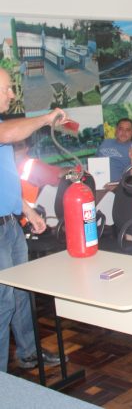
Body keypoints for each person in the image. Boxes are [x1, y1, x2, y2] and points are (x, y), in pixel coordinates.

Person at [0, 67, 63, 371]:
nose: (12, 94)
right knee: (3, 301)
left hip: (9, 225)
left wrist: (27, 210)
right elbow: (7, 133)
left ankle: (28, 351)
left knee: (21, 291)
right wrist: (45, 118)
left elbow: (5, 179)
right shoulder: (3, 131)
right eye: (6, 89)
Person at [96, 118, 132, 182]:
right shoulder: (105, 143)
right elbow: (94, 162)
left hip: (118, 185)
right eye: (121, 129)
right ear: (116, 130)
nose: (124, 132)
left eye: (127, 130)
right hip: (98, 181)